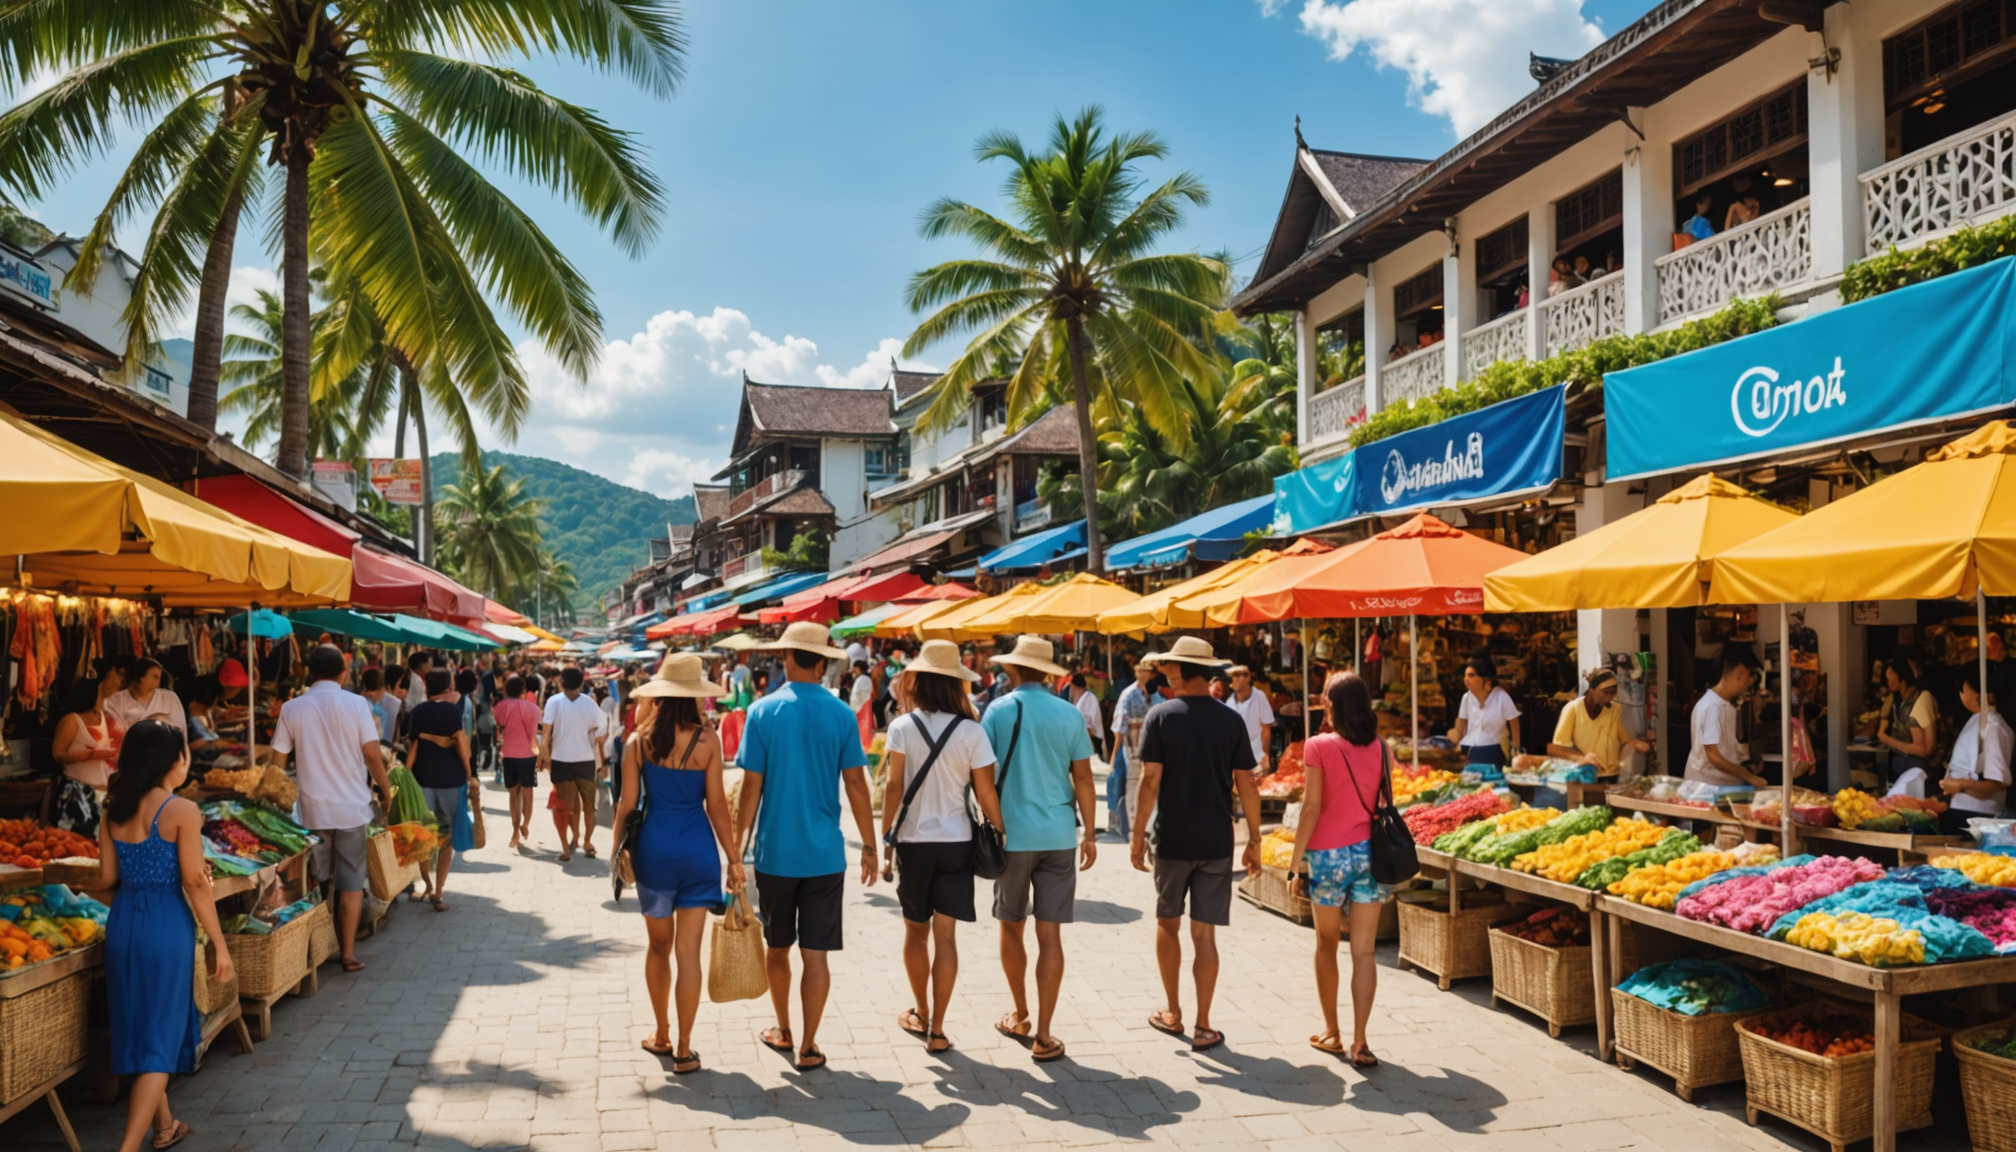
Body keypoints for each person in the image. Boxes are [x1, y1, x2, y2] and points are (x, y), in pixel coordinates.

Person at [732, 622, 878, 1072]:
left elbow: (750, 787)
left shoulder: (762, 712)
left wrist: (734, 851)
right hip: (825, 855)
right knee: (816, 954)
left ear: (787, 657)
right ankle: (810, 1045)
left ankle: (783, 1028)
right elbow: (856, 783)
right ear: (823, 662)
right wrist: (870, 845)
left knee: (779, 948)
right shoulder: (840, 715)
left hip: (776, 855)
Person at [95, 719, 232, 1152]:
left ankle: (165, 1126)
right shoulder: (181, 810)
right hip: (165, 924)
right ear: (172, 760)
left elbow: (106, 877)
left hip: (123, 923)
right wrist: (220, 946)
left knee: (138, 1028)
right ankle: (128, 1147)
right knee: (160, 1037)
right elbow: (195, 884)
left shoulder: (112, 807)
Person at [1129, 636, 1262, 1053]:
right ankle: (1204, 1025)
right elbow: (1246, 783)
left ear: (1182, 672)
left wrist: (1136, 836)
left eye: (1170, 666)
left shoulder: (1161, 716)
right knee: (1205, 936)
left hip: (1172, 838)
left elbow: (1150, 779)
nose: (1164, 670)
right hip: (1215, 840)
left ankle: (1173, 1012)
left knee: (1168, 923)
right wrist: (1255, 839)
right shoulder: (1230, 719)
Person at [614, 653, 742, 1074]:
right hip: (698, 849)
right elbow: (718, 806)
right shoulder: (708, 739)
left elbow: (626, 805)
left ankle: (662, 1033)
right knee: (689, 951)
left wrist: (618, 853)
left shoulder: (638, 741)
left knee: (658, 947)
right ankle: (685, 1048)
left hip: (654, 849)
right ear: (696, 697)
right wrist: (734, 858)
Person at [878, 641, 999, 1055]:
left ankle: (921, 1010)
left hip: (913, 842)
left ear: (918, 681)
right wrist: (1000, 831)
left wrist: (885, 834)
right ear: (955, 685)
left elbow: (893, 786)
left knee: (916, 931)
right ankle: (939, 1029)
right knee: (945, 936)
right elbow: (985, 791)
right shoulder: (972, 730)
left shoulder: (902, 727)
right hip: (957, 842)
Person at [982, 638, 1096, 1063]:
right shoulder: (1069, 713)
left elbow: (983, 776)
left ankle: (1021, 1013)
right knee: (1050, 934)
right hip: (1059, 836)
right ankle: (1045, 1034)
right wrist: (1090, 834)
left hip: (1012, 836)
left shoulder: (996, 711)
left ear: (1013, 670)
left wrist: (994, 822)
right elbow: (1084, 778)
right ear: (1047, 672)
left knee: (1011, 925)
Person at [1290, 672, 1393, 1069]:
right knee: (1364, 951)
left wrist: (1297, 862)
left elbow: (1311, 807)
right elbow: (1386, 802)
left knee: (1326, 945)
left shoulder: (1318, 746)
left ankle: (1332, 1032)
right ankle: (1361, 1042)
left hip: (1328, 857)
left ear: (1331, 706)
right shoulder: (1381, 748)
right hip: (1369, 856)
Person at [269, 644, 394, 972]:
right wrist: (385, 788)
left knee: (319, 880)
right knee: (351, 881)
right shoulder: (356, 704)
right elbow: (371, 754)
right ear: (344, 672)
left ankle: (318, 947)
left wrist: (271, 800)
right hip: (352, 809)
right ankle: (348, 954)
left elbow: (276, 764)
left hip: (313, 811)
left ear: (310, 673)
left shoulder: (292, 708)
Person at [406, 669, 474, 911]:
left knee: (424, 836)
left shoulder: (418, 712)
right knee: (446, 839)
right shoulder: (451, 711)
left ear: (426, 685)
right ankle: (440, 891)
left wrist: (405, 774)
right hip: (451, 781)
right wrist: (469, 772)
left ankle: (427, 884)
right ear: (448, 686)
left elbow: (413, 746)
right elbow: (460, 743)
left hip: (423, 781)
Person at [540, 666, 607, 862]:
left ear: (561, 682)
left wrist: (544, 754)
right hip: (585, 760)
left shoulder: (553, 702)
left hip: (561, 761)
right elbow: (599, 731)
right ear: (581, 683)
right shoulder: (590, 704)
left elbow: (546, 732)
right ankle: (587, 841)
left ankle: (574, 838)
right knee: (589, 807)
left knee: (569, 806)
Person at [52, 659, 125, 837]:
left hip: (104, 795)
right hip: (78, 794)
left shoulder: (104, 717)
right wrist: (90, 755)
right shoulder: (71, 720)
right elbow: (57, 754)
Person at [1936, 666, 2011, 832]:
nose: (1960, 693)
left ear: (1977, 694)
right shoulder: (1978, 720)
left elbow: (1998, 782)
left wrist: (1960, 784)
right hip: (1962, 809)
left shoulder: (1993, 727)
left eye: (1963, 687)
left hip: (1978, 815)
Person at [1683, 648, 1767, 788]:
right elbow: (1713, 756)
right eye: (1748, 676)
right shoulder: (1711, 706)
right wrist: (1748, 776)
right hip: (1706, 788)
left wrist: (1747, 765)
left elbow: (1726, 748)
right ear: (1738, 674)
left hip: (1723, 786)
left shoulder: (1723, 705)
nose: (1750, 682)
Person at [1547, 669, 1653, 778]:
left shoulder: (1615, 709)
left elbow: (1621, 739)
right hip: (1585, 775)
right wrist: (1581, 758)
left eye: (1613, 693)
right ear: (1592, 689)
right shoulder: (1573, 709)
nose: (1609, 697)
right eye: (1605, 693)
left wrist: (1633, 744)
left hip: (1611, 775)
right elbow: (1558, 748)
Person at [1449, 656, 1520, 781]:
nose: (1466, 679)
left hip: (1495, 752)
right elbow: (1461, 723)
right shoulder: (1466, 698)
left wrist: (1515, 751)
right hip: (1472, 753)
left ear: (1485, 680)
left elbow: (1515, 724)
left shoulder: (1501, 697)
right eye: (1465, 675)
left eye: (1471, 675)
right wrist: (1454, 738)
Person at [1112, 660, 1160, 840]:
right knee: (1133, 787)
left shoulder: (1154, 694)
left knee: (1150, 785)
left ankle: (1147, 827)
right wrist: (1115, 754)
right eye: (1145, 671)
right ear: (1138, 673)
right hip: (1133, 749)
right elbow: (1120, 727)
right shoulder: (1129, 694)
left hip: (1151, 749)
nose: (1148, 674)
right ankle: (1134, 828)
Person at [494, 675, 543, 849]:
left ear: (506, 690)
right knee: (528, 792)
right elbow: (539, 725)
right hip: (528, 754)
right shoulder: (533, 708)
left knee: (513, 794)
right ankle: (525, 825)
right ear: (523, 690)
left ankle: (515, 830)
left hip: (509, 754)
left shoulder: (501, 707)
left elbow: (499, 722)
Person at [1875, 657, 1938, 788]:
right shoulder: (1897, 700)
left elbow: (1924, 749)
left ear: (1902, 676)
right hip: (1899, 763)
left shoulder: (1919, 700)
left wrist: (1886, 739)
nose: (1888, 678)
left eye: (1892, 673)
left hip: (1914, 766)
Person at [102, 657, 187, 737]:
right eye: (154, 677)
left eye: (159, 677)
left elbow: (179, 728)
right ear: (141, 677)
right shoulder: (117, 699)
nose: (158, 681)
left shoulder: (169, 698)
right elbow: (115, 730)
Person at [1226, 665, 1275, 774]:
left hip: (1257, 758)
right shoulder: (1229, 703)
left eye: (1241, 675)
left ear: (1248, 678)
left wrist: (1265, 755)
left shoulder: (1259, 697)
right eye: (1235, 676)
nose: (1237, 679)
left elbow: (1266, 729)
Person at [360, 667, 402, 751]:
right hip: (387, 748)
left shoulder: (357, 701)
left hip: (364, 748)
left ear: (364, 684)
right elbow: (396, 735)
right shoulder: (396, 703)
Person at [1069, 672, 1104, 751]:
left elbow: (1094, 722)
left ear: (1073, 686)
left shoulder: (1090, 699)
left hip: (1092, 739)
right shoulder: (1080, 699)